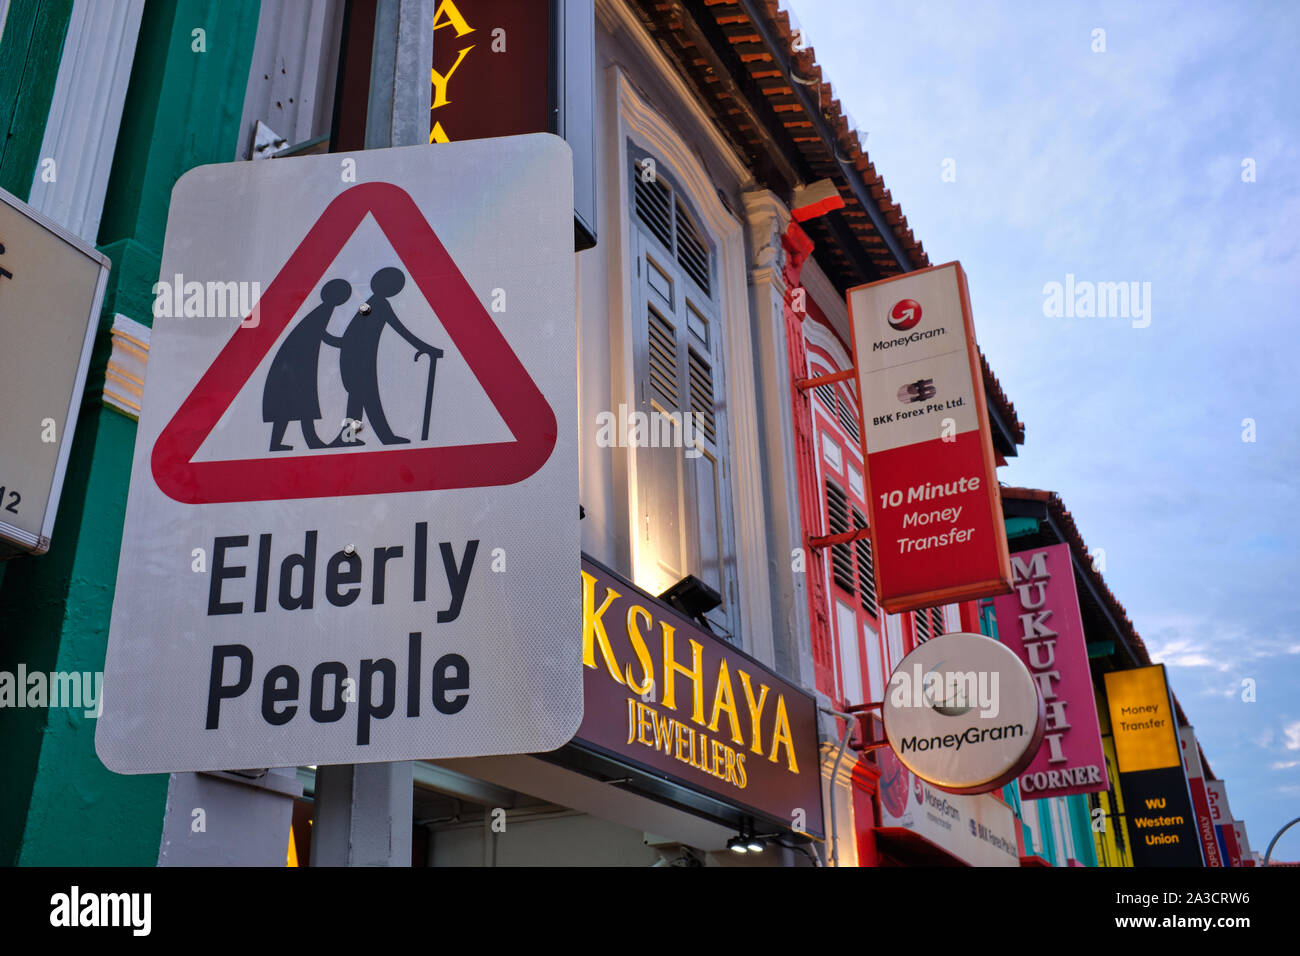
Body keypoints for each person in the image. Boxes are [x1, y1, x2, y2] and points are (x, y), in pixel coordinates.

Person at [332, 267, 438, 446]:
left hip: (356, 360)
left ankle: (351, 436)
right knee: (367, 399)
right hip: (358, 362)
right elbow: (399, 328)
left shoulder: (370, 304)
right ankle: (378, 437)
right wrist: (425, 347)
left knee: (361, 399)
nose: (394, 288)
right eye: (392, 284)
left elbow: (349, 335)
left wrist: (425, 347)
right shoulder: (376, 304)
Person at [262, 278, 350, 451]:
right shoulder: (324, 311)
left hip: (296, 362)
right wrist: (344, 343)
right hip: (297, 364)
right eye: (343, 295)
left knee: (293, 404)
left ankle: (291, 442)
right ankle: (310, 442)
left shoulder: (323, 309)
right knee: (301, 402)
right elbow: (322, 335)